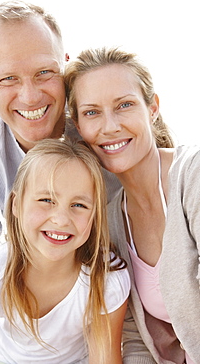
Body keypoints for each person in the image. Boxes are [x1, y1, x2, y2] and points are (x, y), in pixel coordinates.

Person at [0, 1, 120, 345]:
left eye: (44, 73)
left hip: (115, 311)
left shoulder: (105, 129)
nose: (29, 96)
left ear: (65, 67)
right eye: (8, 78)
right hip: (29, 336)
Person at [64, 47, 200, 363]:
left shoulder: (192, 176)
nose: (109, 126)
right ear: (79, 128)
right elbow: (138, 341)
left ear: (152, 107)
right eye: (92, 112)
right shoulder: (111, 223)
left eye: (124, 105)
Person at [0, 139, 130, 364]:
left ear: (95, 215)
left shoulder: (107, 279)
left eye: (79, 205)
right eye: (46, 200)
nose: (60, 219)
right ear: (16, 205)